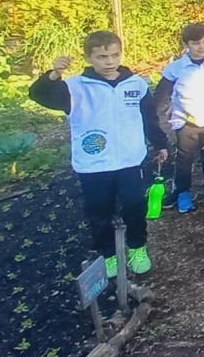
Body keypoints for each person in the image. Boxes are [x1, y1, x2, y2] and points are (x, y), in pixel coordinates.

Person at [28, 31, 168, 277]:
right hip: (94, 164)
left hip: (129, 159)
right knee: (99, 212)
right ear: (89, 57)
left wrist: (160, 144)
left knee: (135, 206)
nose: (109, 61)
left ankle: (137, 247)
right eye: (102, 56)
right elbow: (38, 95)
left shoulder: (136, 84)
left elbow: (149, 118)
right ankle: (109, 255)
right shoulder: (74, 87)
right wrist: (54, 74)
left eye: (114, 55)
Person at [154, 22, 204, 213]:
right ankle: (183, 192)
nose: (201, 47)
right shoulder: (176, 68)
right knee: (185, 158)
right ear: (187, 44)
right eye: (196, 43)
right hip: (187, 122)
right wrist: (155, 117)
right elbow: (161, 95)